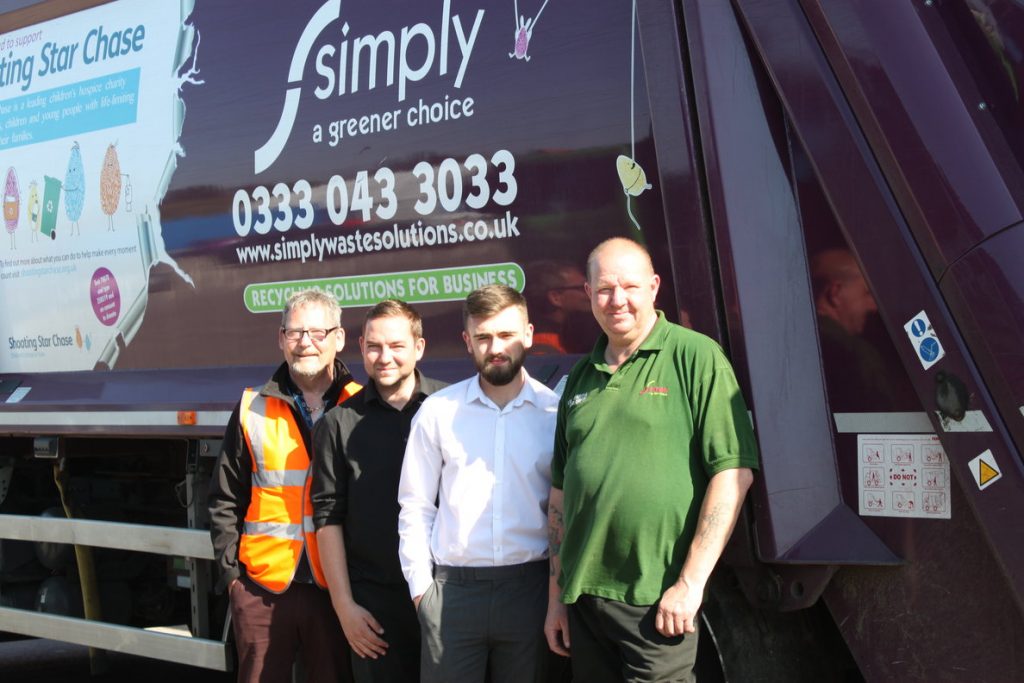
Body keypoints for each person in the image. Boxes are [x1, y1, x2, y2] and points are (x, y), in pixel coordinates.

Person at [544, 237, 759, 682]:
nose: (617, 300)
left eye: (630, 286)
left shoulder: (695, 356)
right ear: (587, 294)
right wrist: (556, 599)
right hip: (585, 600)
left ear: (654, 287)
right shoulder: (581, 376)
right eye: (604, 289)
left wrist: (690, 584)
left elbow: (733, 472)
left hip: (658, 602)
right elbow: (560, 496)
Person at [398, 284, 559, 683]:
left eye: (506, 335)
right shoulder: (437, 413)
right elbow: (416, 507)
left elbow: (564, 507)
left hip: (530, 592)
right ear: (467, 341)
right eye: (484, 337)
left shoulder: (554, 415)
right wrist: (423, 594)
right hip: (453, 596)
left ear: (528, 334)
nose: (495, 347)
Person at [208, 289, 359, 683]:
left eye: (317, 332)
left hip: (337, 591)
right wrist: (233, 582)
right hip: (262, 590)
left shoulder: (361, 405)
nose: (305, 343)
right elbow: (225, 498)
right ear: (280, 339)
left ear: (338, 338)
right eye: (294, 333)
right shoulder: (251, 407)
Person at [311, 300, 446, 683]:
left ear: (419, 347)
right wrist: (344, 607)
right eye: (374, 346)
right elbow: (327, 518)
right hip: (375, 610)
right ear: (361, 347)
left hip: (450, 598)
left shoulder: (450, 409)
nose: (384, 357)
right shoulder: (337, 425)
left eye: (397, 346)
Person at [810, 247, 895, 411]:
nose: (874, 306)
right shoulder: (857, 356)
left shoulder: (783, 343)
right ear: (835, 293)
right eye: (866, 293)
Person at [524, 260, 597, 354]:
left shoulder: (576, 336)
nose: (590, 292)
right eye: (582, 288)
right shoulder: (545, 347)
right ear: (556, 297)